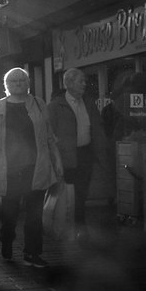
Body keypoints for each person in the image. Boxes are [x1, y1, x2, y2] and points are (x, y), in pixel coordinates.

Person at [0, 67, 62, 268]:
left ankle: (32, 253)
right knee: (10, 214)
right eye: (14, 81)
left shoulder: (38, 104)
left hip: (36, 167)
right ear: (7, 86)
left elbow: (49, 134)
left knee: (34, 214)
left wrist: (56, 160)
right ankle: (6, 239)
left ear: (28, 83)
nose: (18, 83)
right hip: (9, 170)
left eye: (22, 80)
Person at [48, 67, 108, 242]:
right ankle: (64, 227)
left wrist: (100, 150)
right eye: (80, 81)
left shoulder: (89, 103)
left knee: (81, 194)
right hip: (66, 158)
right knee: (66, 195)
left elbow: (97, 128)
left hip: (85, 154)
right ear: (69, 83)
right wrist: (55, 158)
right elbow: (49, 134)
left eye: (84, 81)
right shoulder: (55, 106)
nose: (84, 84)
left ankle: (80, 228)